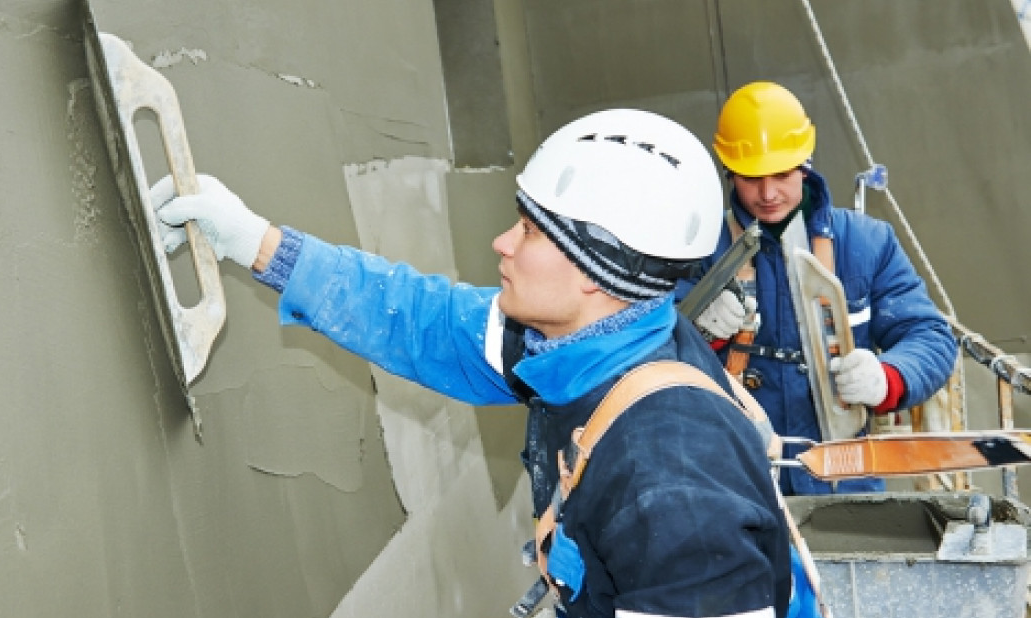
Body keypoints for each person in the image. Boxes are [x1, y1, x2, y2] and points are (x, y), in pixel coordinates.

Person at [151, 109, 801, 617]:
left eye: (529, 231)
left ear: (594, 274)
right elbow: (416, 317)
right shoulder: (578, 344)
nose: (501, 243)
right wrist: (255, 242)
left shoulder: (673, 486)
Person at [689, 81, 958, 496]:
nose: (767, 193)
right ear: (729, 171)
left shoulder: (867, 244)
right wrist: (694, 330)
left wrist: (887, 379)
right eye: (751, 177)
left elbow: (929, 336)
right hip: (733, 483)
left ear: (805, 164)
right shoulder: (700, 250)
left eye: (781, 174)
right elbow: (644, 349)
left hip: (844, 480)